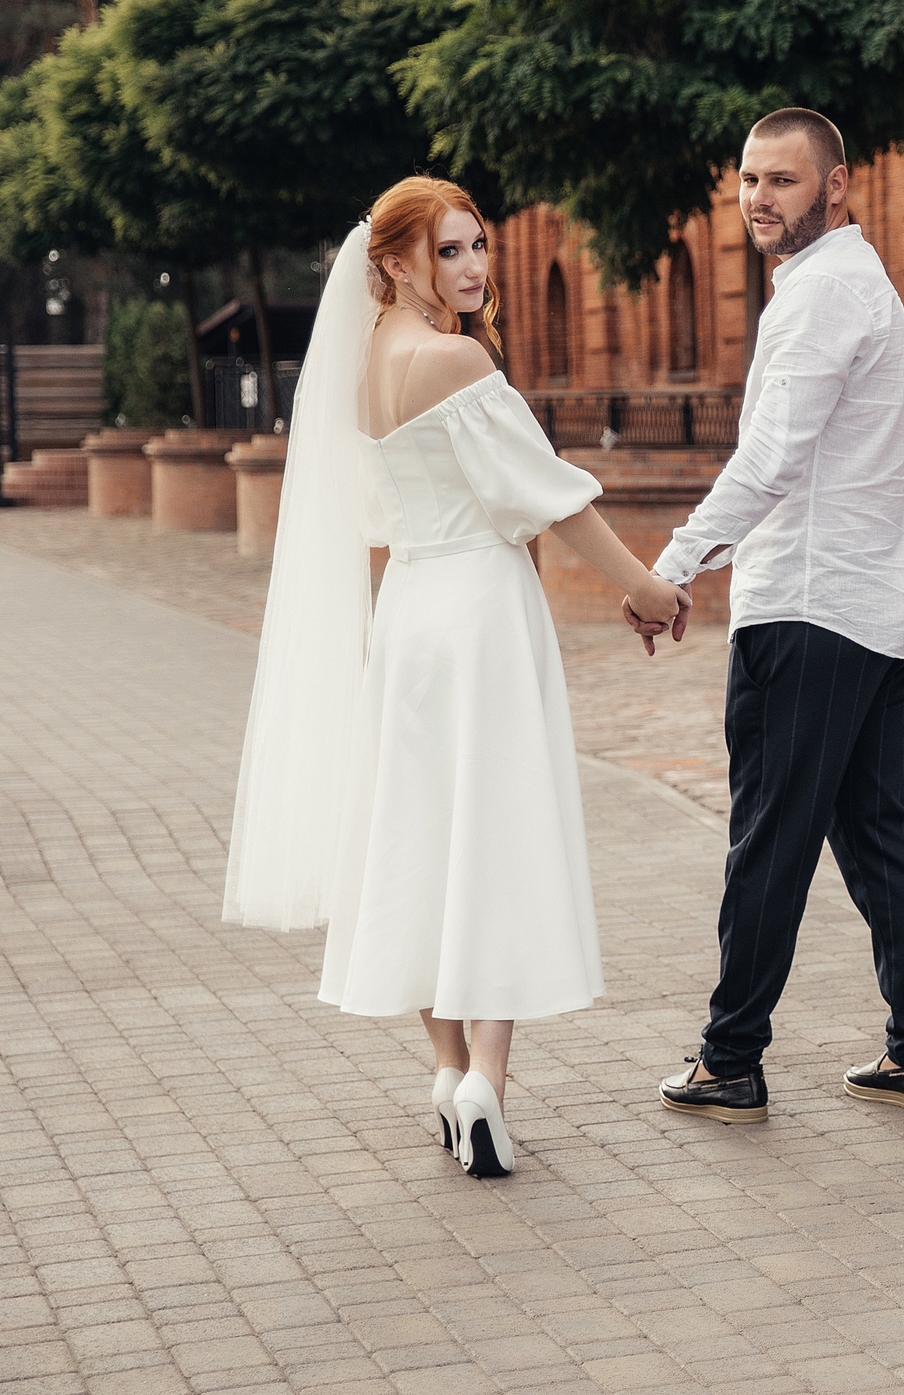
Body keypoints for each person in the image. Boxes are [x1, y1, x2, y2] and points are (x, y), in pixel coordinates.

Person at [224, 175, 692, 1178]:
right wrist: (649, 589)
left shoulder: (358, 371)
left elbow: (372, 513)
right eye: (449, 251)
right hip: (480, 610)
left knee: (418, 837)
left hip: (409, 616)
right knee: (495, 834)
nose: (474, 268)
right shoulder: (457, 361)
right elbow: (551, 501)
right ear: (394, 263)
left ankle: (443, 1075)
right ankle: (487, 1079)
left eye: (479, 246)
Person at [625, 108, 904, 1123]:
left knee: (772, 834)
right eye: (748, 180)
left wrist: (670, 566)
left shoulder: (822, 297)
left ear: (837, 186)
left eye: (782, 180)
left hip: (809, 607)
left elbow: (770, 461)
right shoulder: (854, 286)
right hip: (865, 604)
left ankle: (731, 1059)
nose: (759, 198)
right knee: (875, 828)